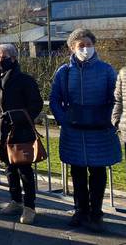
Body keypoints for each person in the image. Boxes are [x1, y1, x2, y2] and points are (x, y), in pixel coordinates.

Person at [50, 28, 121, 232]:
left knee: (98, 173)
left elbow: (116, 98)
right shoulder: (64, 72)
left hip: (100, 131)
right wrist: (64, 120)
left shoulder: (106, 70)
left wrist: (111, 119)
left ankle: (96, 214)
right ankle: (80, 210)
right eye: (81, 45)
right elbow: (55, 99)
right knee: (78, 173)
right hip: (74, 131)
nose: (86, 49)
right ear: (72, 48)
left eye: (89, 44)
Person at [0, 44, 43, 225]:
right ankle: (15, 200)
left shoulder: (25, 80)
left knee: (25, 171)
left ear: (13, 58)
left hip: (20, 131)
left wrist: (18, 117)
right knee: (9, 169)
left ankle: (30, 207)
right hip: (0, 132)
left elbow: (36, 104)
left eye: (3, 57)